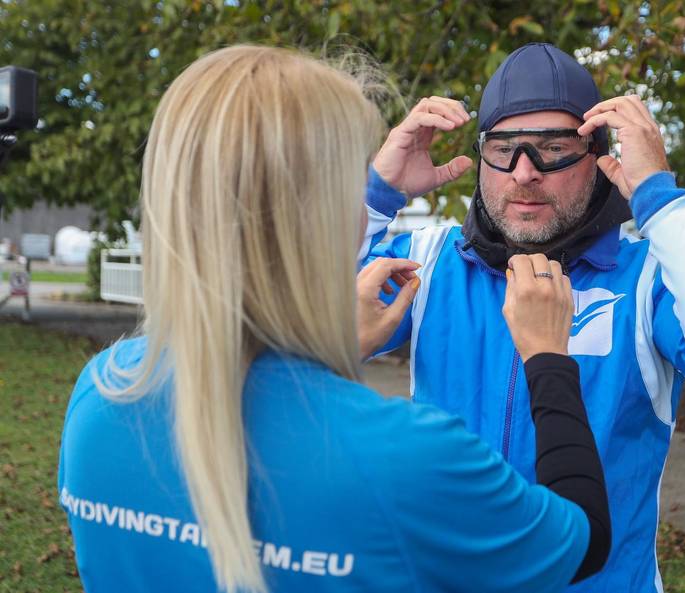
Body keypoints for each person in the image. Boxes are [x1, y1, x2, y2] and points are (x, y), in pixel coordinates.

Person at [57, 45, 611, 593]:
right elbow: (581, 540)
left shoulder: (101, 393)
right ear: (320, 216)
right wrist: (547, 356)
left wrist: (325, 350)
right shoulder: (404, 457)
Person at [363, 42, 685, 592]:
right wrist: (375, 197)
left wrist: (659, 201)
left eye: (554, 148)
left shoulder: (647, 278)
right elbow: (285, 318)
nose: (525, 172)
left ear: (600, 157)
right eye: (504, 148)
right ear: (480, 156)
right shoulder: (430, 261)